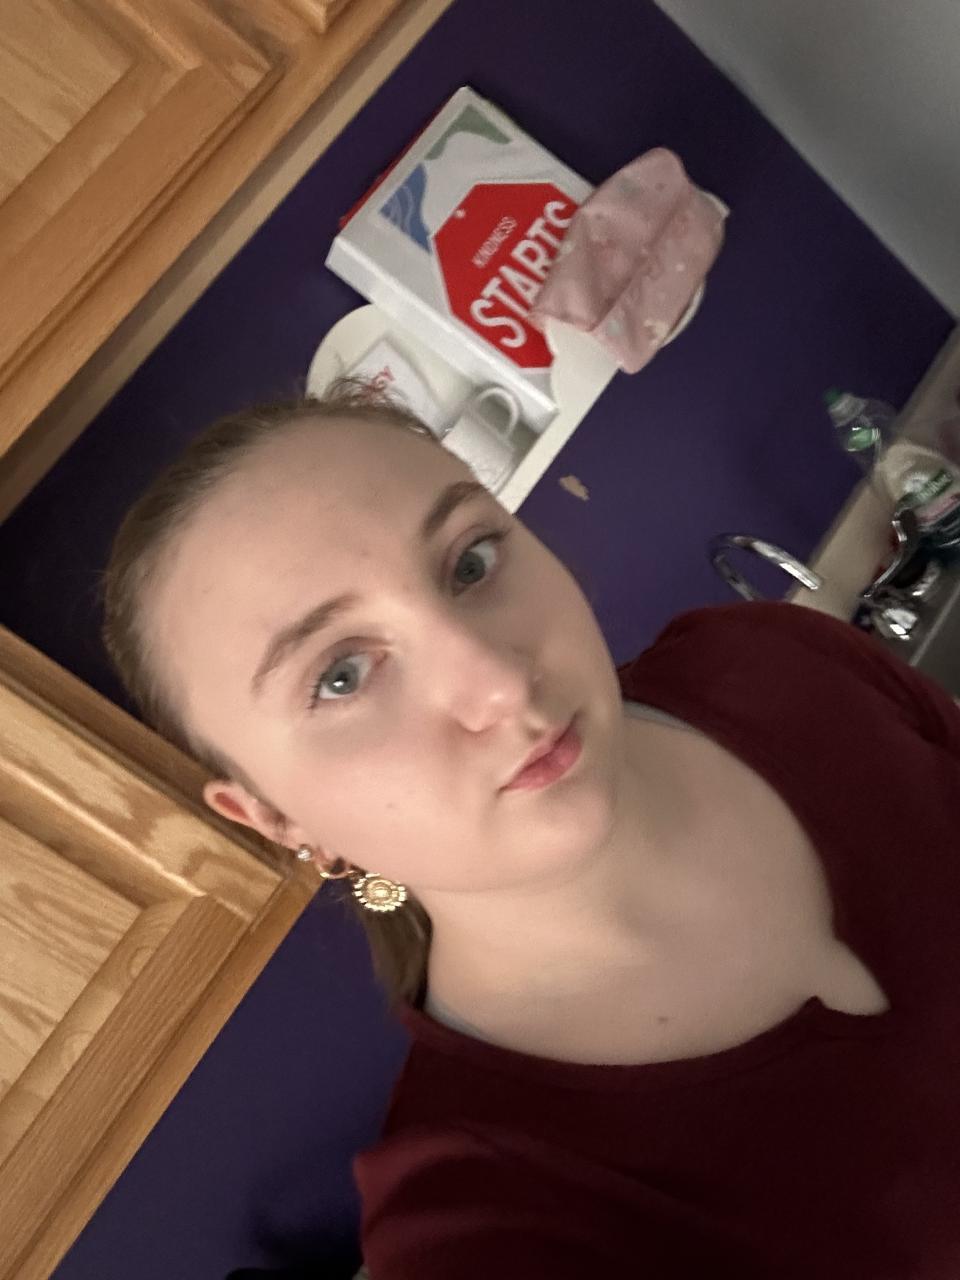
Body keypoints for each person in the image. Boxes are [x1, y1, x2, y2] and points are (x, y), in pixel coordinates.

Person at [103, 381, 960, 1279]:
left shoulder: (768, 656)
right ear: (276, 819)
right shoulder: (488, 1217)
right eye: (342, 676)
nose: (501, 686)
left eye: (470, 563)